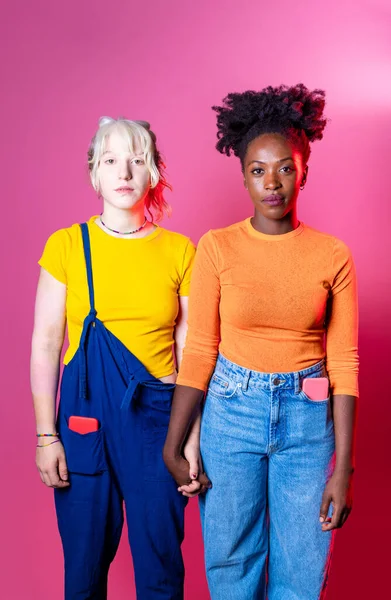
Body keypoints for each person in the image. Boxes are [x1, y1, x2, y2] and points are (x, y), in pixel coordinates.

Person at [163, 84, 359, 599]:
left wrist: (343, 468)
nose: (272, 183)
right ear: (244, 175)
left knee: (300, 575)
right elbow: (201, 348)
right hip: (231, 413)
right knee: (232, 568)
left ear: (304, 170)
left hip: (308, 422)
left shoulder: (332, 254)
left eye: (286, 168)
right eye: (258, 170)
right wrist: (173, 442)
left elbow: (344, 362)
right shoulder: (217, 247)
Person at [30, 117, 196, 599]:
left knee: (161, 568)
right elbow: (45, 344)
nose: (124, 171)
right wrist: (46, 436)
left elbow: (190, 353)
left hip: (161, 426)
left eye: (137, 160)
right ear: (94, 174)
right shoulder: (65, 246)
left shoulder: (180, 251)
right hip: (85, 423)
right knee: (83, 571)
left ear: (154, 174)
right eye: (110, 161)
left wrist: (192, 440)